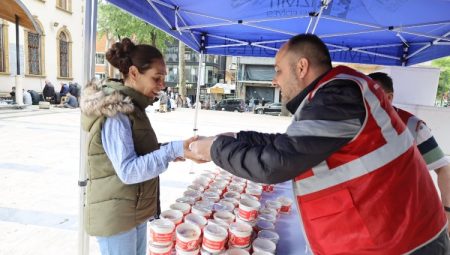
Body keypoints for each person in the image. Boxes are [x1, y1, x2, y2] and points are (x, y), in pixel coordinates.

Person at [189, 34, 449, 254]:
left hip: (404, 243)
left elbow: (276, 164)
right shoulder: (332, 94)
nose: (274, 81)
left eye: (278, 70)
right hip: (392, 236)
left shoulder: (338, 96)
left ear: (301, 67)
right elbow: (290, 144)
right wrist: (237, 137)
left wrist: (214, 150)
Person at [79, 38, 202, 255]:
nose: (162, 85)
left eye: (163, 79)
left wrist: (177, 150)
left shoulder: (133, 107)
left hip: (131, 210)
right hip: (116, 217)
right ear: (134, 73)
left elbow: (135, 153)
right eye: (156, 78)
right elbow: (128, 170)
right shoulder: (115, 110)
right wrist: (171, 150)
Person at [369, 72, 450, 228]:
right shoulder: (352, 127)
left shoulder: (413, 126)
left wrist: (447, 212)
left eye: (370, 95)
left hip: (407, 220)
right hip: (368, 219)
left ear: (389, 97)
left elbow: (443, 169)